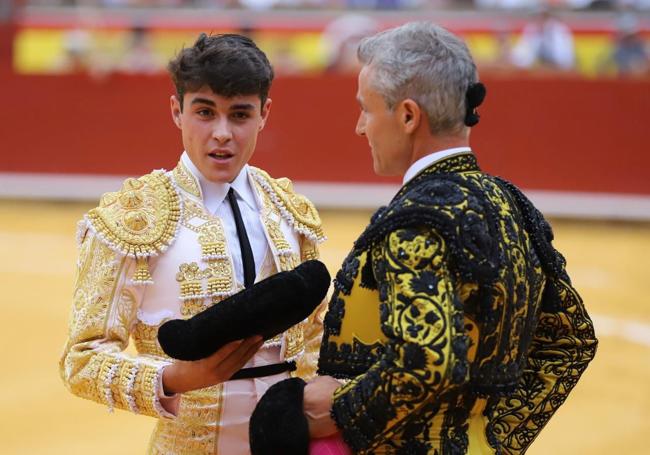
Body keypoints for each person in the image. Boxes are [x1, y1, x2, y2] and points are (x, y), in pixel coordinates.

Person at [303, 22, 597, 454]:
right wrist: (493, 438)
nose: (360, 127)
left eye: (366, 109)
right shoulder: (512, 204)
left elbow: (429, 361)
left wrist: (339, 412)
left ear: (407, 116)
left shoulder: (416, 219)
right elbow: (570, 342)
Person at [59, 33, 326, 454]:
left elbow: (316, 343)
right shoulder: (133, 216)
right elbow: (83, 360)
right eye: (205, 112)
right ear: (176, 111)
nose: (222, 133)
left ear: (264, 114)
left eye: (240, 115)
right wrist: (176, 379)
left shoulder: (290, 210)